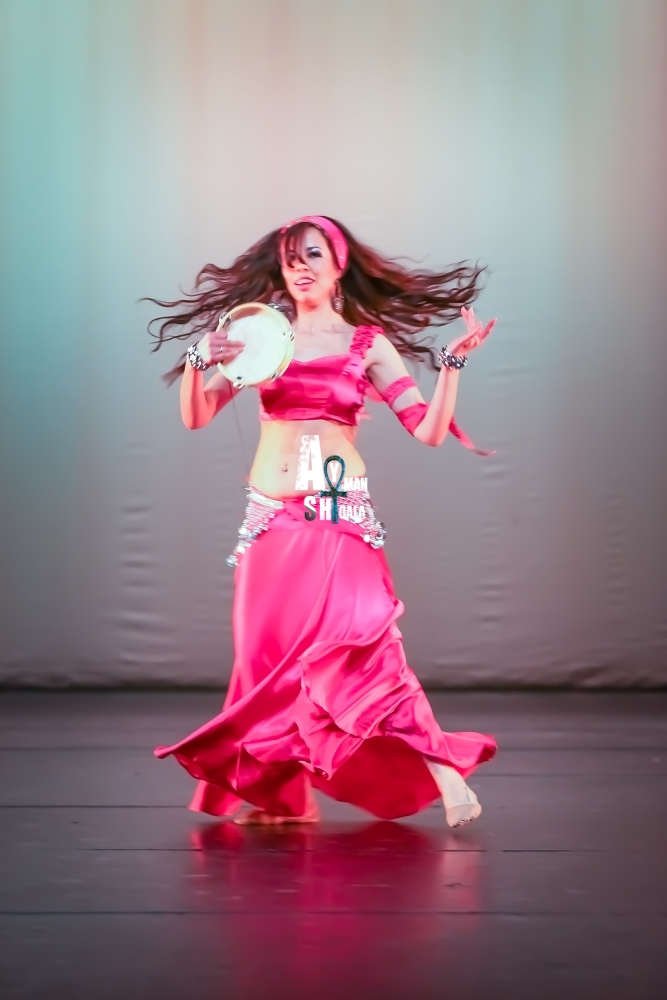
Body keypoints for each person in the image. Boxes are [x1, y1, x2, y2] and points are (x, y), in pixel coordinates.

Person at [147, 215, 498, 828]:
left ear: (339, 265)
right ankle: (284, 798)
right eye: (290, 258)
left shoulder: (367, 344)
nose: (300, 267)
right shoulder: (263, 337)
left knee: (363, 649)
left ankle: (444, 772)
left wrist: (450, 366)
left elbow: (428, 430)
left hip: (338, 513)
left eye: (312, 254)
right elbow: (197, 416)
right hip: (270, 522)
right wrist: (198, 359)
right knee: (262, 663)